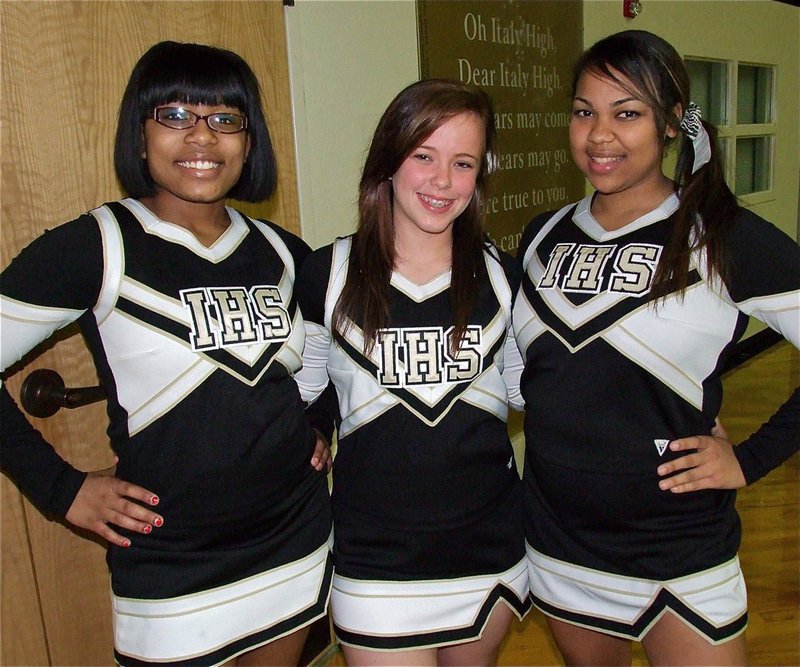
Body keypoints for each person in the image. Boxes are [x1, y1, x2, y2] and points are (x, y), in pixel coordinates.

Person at [0, 41, 333, 667]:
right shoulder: (96, 246)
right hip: (172, 558)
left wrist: (317, 423)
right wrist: (60, 489)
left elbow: (327, 359)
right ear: (140, 130)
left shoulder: (286, 252)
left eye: (225, 119)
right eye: (175, 114)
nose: (201, 137)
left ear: (249, 138)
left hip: (293, 537)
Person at [513, 29, 800, 666]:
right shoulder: (542, 235)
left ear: (672, 122)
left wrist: (749, 460)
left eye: (627, 113)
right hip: (561, 539)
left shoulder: (722, 235)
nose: (599, 136)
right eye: (584, 112)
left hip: (680, 541)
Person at [294, 79, 530, 666]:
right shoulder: (326, 273)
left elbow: (541, 391)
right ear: (389, 159)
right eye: (424, 155)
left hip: (489, 552)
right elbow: (311, 387)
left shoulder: (505, 278)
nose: (443, 181)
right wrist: (313, 429)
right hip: (375, 561)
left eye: (463, 162)